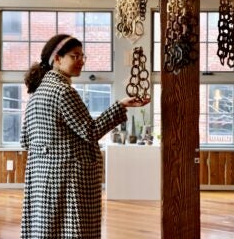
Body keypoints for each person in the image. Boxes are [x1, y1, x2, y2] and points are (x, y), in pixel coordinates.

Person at [20, 34, 150, 238]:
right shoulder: (63, 91)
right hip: (69, 177)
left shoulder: (37, 93)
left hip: (41, 177)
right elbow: (91, 131)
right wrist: (120, 105)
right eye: (75, 56)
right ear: (57, 59)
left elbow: (25, 140)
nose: (81, 61)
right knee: (74, 231)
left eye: (83, 56)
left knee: (47, 229)